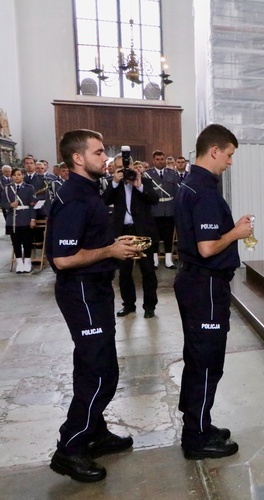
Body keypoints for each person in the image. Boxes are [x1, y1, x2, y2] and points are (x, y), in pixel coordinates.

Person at [46, 129, 137, 482]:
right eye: (99, 153)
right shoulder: (73, 198)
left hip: (95, 289)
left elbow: (90, 241)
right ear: (78, 158)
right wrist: (110, 251)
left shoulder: (90, 192)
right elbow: (64, 258)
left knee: (91, 365)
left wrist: (114, 244)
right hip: (81, 291)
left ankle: (95, 433)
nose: (106, 158)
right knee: (101, 372)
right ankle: (70, 448)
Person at [173, 123, 252, 460]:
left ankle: (199, 424)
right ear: (214, 150)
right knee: (206, 362)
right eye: (229, 154)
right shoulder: (204, 190)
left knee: (198, 358)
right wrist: (236, 232)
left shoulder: (190, 183)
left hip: (195, 282)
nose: (230, 162)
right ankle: (196, 438)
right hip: (204, 283)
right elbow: (207, 247)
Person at [102, 153, 160, 319]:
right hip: (123, 232)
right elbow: (104, 201)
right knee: (124, 272)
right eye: (120, 168)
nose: (124, 171)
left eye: (126, 168)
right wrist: (114, 182)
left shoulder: (144, 181)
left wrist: (138, 185)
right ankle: (128, 305)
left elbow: (154, 199)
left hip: (142, 231)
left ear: (133, 167)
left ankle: (150, 306)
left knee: (147, 270)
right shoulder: (114, 185)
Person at [146, 150, 180, 269]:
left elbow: (177, 192)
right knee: (154, 235)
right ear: (153, 160)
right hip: (154, 209)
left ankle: (168, 259)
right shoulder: (148, 174)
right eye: (158, 159)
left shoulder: (172, 174)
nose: (160, 162)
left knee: (168, 235)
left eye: (162, 159)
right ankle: (154, 259)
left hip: (169, 209)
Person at [1, 167, 37, 272]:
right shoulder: (7, 188)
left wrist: (33, 219)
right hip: (13, 219)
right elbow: (2, 203)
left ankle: (27, 261)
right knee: (16, 242)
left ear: (23, 176)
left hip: (26, 217)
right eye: (15, 175)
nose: (17, 177)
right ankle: (19, 263)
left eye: (19, 174)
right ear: (12, 176)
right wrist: (10, 205)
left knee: (27, 241)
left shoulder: (29, 188)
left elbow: (32, 205)